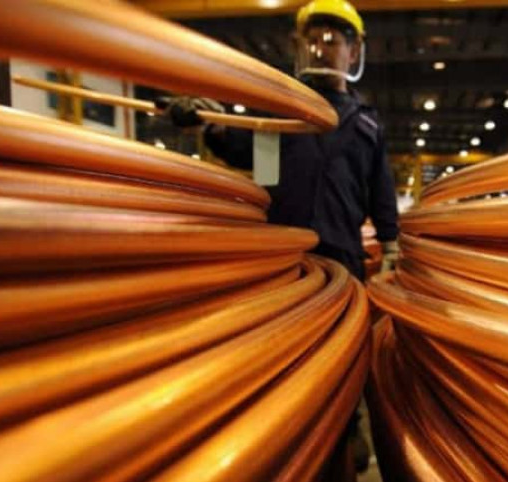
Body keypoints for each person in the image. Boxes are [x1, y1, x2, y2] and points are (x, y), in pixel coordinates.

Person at [162, 0, 399, 280]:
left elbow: (380, 189)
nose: (319, 51)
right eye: (311, 42)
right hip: (281, 251)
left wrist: (390, 245)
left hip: (342, 253)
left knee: (344, 309)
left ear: (354, 51)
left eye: (330, 42)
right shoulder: (280, 111)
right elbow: (248, 153)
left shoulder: (366, 124)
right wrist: (210, 125)